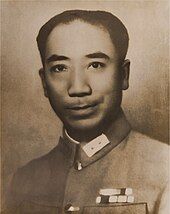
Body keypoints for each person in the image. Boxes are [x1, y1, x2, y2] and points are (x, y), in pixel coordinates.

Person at [4, 10, 169, 213]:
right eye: (60, 68)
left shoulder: (164, 170)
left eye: (95, 65)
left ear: (123, 75)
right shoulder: (23, 179)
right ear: (44, 82)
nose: (78, 88)